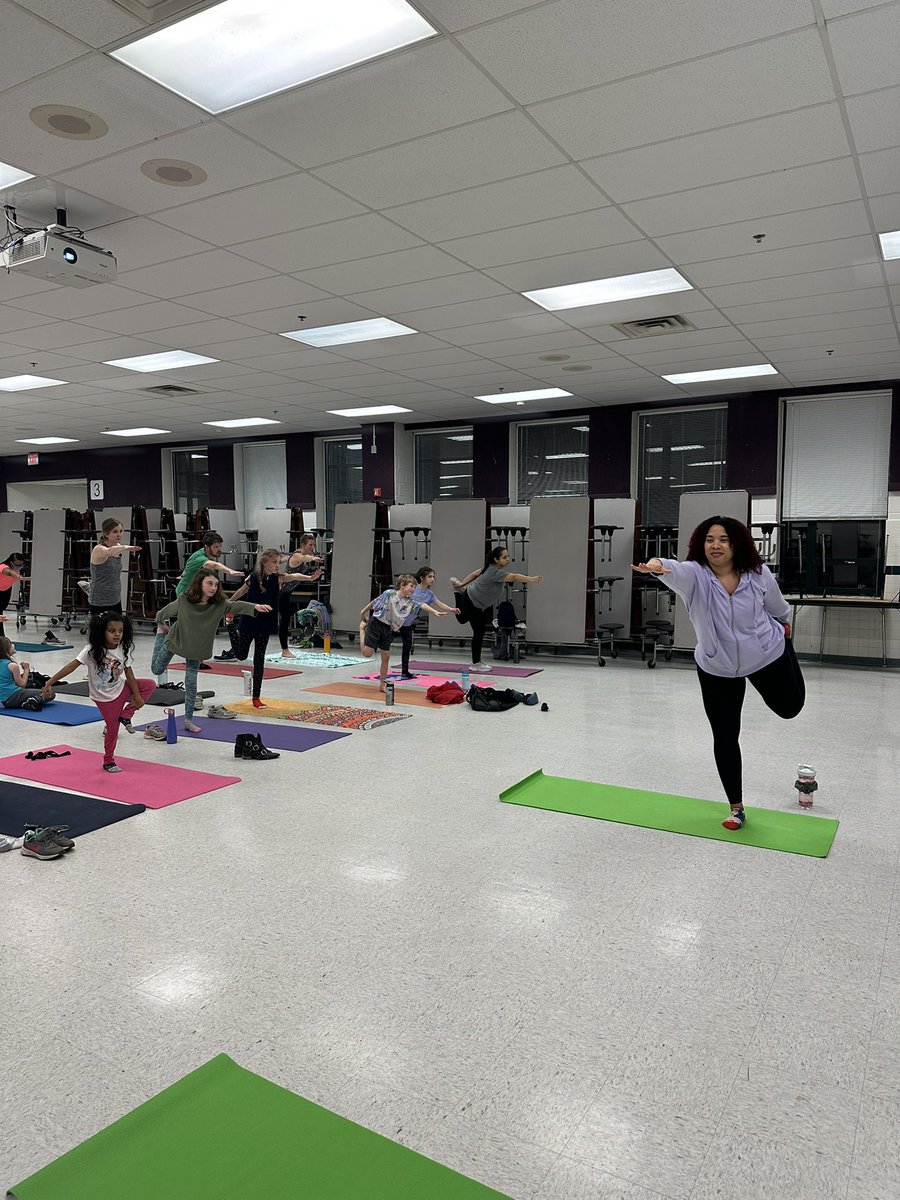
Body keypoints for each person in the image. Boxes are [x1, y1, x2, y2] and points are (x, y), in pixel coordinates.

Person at [634, 515, 805, 831]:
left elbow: (780, 610)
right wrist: (655, 564)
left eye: (723, 539)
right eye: (710, 539)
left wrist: (783, 632)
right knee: (725, 735)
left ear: (736, 543)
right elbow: (671, 567)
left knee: (791, 707)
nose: (716, 545)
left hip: (767, 654)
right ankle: (736, 808)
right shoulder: (695, 576)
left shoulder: (758, 574)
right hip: (717, 667)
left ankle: (788, 648)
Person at [153, 570, 270, 732]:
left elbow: (235, 606)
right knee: (157, 669)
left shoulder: (219, 604)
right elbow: (161, 614)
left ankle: (188, 720)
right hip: (175, 640)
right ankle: (160, 637)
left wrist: (255, 606)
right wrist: (162, 627)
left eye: (216, 584)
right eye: (209, 583)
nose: (213, 587)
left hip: (196, 647)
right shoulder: (184, 600)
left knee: (191, 683)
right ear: (199, 583)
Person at [42, 613, 156, 772]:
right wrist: (49, 682)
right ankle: (108, 760)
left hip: (121, 687)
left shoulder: (123, 648)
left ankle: (126, 715)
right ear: (102, 631)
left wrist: (137, 698)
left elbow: (129, 673)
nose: (117, 634)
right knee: (112, 728)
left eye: (120, 631)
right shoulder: (91, 650)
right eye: (112, 631)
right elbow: (71, 666)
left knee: (149, 684)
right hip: (104, 698)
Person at [226, 550, 305, 708]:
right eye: (274, 562)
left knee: (259, 659)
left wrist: (310, 578)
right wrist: (229, 603)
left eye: (278, 562)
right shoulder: (253, 577)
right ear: (265, 563)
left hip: (266, 622)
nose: (277, 565)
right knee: (241, 655)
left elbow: (294, 576)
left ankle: (256, 697)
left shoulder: (278, 579)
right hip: (250, 620)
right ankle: (230, 624)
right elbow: (242, 590)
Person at [451, 547, 543, 671]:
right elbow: (514, 577)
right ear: (496, 559)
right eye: (504, 557)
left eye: (508, 557)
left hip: (474, 600)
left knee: (466, 622)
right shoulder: (495, 571)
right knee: (476, 630)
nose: (508, 560)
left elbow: (475, 574)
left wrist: (462, 584)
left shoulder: (490, 567)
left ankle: (459, 592)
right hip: (473, 601)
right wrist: (531, 579)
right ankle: (475, 663)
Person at [358, 574, 446, 690]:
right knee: (367, 654)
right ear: (402, 585)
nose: (413, 589)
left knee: (386, 657)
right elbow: (374, 603)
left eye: (414, 587)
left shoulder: (410, 602)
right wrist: (362, 613)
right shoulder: (389, 593)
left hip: (388, 629)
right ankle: (361, 629)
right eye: (411, 586)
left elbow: (422, 605)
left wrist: (435, 611)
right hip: (376, 623)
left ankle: (382, 684)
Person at [396, 566, 459, 680]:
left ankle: (404, 672)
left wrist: (451, 609)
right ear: (422, 577)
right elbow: (420, 604)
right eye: (430, 576)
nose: (432, 579)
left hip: (407, 623)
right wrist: (435, 612)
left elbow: (438, 603)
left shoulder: (429, 594)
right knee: (384, 645)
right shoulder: (413, 589)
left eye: (433, 577)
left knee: (407, 647)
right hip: (396, 620)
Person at [276, 534, 324, 658]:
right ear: (303, 545)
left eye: (314, 545)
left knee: (284, 618)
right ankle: (285, 650)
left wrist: (280, 560)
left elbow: (289, 560)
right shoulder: (299, 556)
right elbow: (303, 558)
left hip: (286, 593)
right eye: (310, 545)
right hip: (279, 592)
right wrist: (313, 559)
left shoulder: (295, 556)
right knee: (284, 619)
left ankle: (284, 650)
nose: (313, 548)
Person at [89, 519, 141, 615]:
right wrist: (125, 547)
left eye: (121, 531)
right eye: (115, 532)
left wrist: (122, 547)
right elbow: (110, 552)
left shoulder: (118, 547)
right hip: (99, 600)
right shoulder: (99, 549)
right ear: (106, 534)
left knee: (117, 628)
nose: (119, 534)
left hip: (115, 599)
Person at [0, 635, 53, 711]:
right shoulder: (12, 665)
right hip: (14, 696)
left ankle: (25, 703)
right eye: (10, 644)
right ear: (6, 649)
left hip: (5, 701)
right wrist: (26, 669)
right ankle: (33, 700)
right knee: (50, 694)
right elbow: (22, 684)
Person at [0, 553, 28, 628]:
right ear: (11, 562)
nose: (19, 567)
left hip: (5, 590)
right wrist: (19, 577)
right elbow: (9, 572)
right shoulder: (3, 567)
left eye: (21, 565)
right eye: (17, 565)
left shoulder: (17, 570)